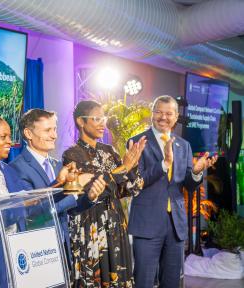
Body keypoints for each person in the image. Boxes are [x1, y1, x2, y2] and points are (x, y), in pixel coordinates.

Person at [0, 109, 105, 287]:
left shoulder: (7, 171)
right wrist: (18, 208)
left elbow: (32, 206)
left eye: (10, 136)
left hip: (14, 260)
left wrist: (59, 184)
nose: (10, 141)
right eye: (3, 137)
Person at [128, 95, 217, 288]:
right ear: (152, 114)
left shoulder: (183, 145)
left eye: (169, 113)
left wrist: (195, 172)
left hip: (175, 225)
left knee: (172, 282)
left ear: (176, 117)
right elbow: (136, 181)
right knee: (143, 280)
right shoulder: (137, 142)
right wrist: (164, 164)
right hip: (147, 223)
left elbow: (188, 185)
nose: (163, 117)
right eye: (159, 112)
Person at [62, 100, 147, 287]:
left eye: (104, 118)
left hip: (115, 224)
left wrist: (132, 167)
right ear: (81, 122)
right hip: (89, 225)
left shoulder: (110, 151)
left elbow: (133, 188)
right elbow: (94, 190)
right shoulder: (72, 155)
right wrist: (122, 168)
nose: (103, 123)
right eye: (97, 118)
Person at [9, 109, 97, 269]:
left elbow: (68, 210)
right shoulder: (17, 168)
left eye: (55, 129)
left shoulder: (57, 165)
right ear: (28, 133)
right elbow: (33, 213)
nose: (54, 135)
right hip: (37, 252)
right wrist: (74, 195)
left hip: (61, 246)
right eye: (48, 130)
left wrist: (89, 197)